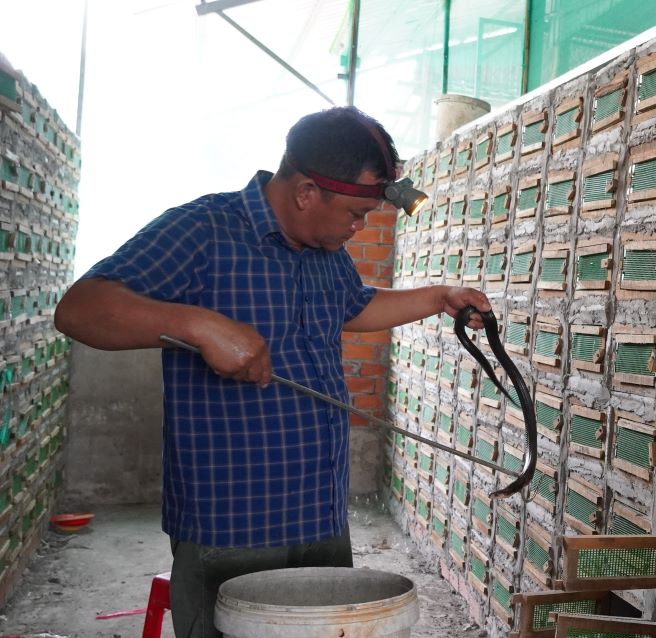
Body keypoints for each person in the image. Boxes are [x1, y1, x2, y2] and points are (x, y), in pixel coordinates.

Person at [54, 106, 491, 637]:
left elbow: (353, 307)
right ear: (307, 191)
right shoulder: (204, 230)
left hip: (320, 513)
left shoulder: (325, 247)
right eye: (355, 214)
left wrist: (438, 297)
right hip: (233, 523)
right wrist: (198, 324)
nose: (359, 227)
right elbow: (79, 309)